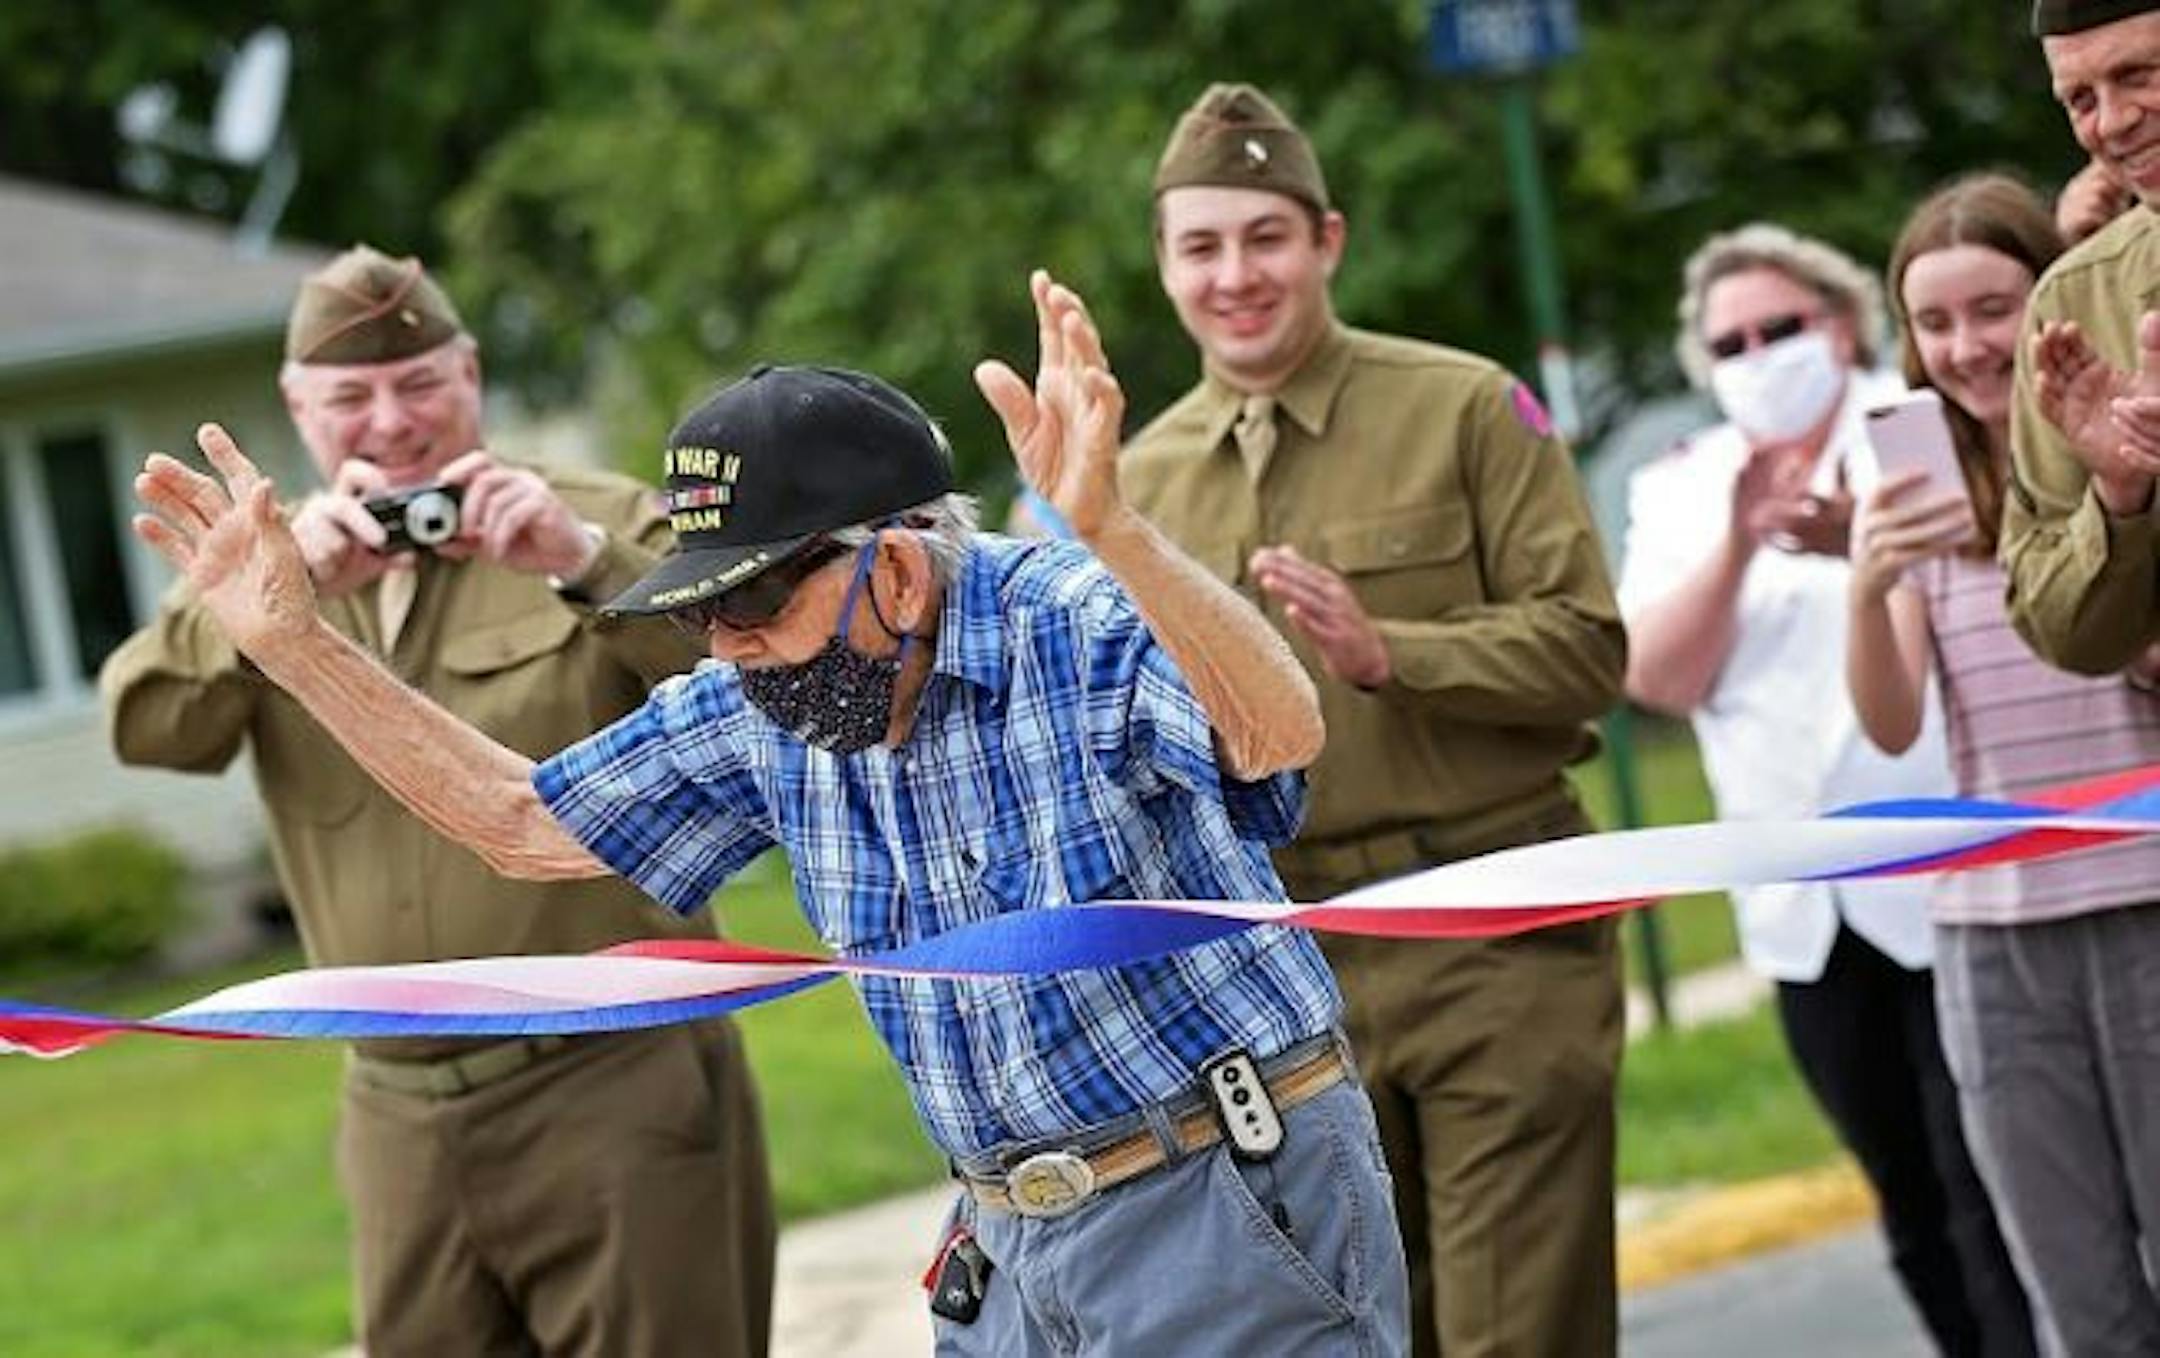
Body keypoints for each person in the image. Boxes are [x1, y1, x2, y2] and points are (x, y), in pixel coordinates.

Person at [125, 271, 1412, 1356]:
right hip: (1011, 1248)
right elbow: (521, 817)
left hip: (1225, 1200)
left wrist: (1115, 528)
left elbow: (1275, 734)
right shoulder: (765, 703)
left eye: (749, 607)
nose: (725, 646)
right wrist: (297, 648)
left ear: (894, 569)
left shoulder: (1067, 620)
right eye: (697, 616)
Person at [99, 246, 776, 1358]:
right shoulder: (262, 568)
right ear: (295, 405)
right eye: (351, 396)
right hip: (396, 1106)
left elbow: (759, 676)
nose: (391, 421)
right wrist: (268, 621)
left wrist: (582, 563)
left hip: (612, 1078)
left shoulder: (602, 523)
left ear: (471, 372)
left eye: (420, 384)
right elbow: (146, 724)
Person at [1121, 83, 1629, 1358]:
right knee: (1346, 1333)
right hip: (1278, 972)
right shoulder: (1129, 486)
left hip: (1492, 927)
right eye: (1203, 244)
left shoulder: (1462, 407)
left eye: (1266, 236)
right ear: (1167, 266)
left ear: (1328, 241)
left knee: (1519, 1328)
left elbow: (1589, 649)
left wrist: (1388, 651)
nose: (1237, 273)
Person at [1618, 223, 2034, 1357]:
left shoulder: (1909, 423)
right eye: (1730, 340)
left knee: (1986, 1185)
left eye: (1779, 327)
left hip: (1950, 875)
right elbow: (1658, 675)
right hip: (1802, 907)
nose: (1756, 352)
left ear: (1840, 322)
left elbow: (1985, 605)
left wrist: (1862, 543)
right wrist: (1742, 542)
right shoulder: (1684, 483)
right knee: (1906, 1195)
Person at [1849, 170, 2160, 1355]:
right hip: (1992, 930)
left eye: (1996, 308)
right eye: (1934, 322)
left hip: (2142, 895)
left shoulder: (2126, 443)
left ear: (2058, 300)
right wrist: (1870, 583)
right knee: (2080, 1302)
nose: (1969, 346)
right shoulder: (1915, 479)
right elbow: (1890, 722)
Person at [2003, 0, 2160, 678]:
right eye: (2079, 100)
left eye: (2140, 75)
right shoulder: (2074, 302)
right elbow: (2065, 635)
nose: (2113, 122)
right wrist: (2120, 495)